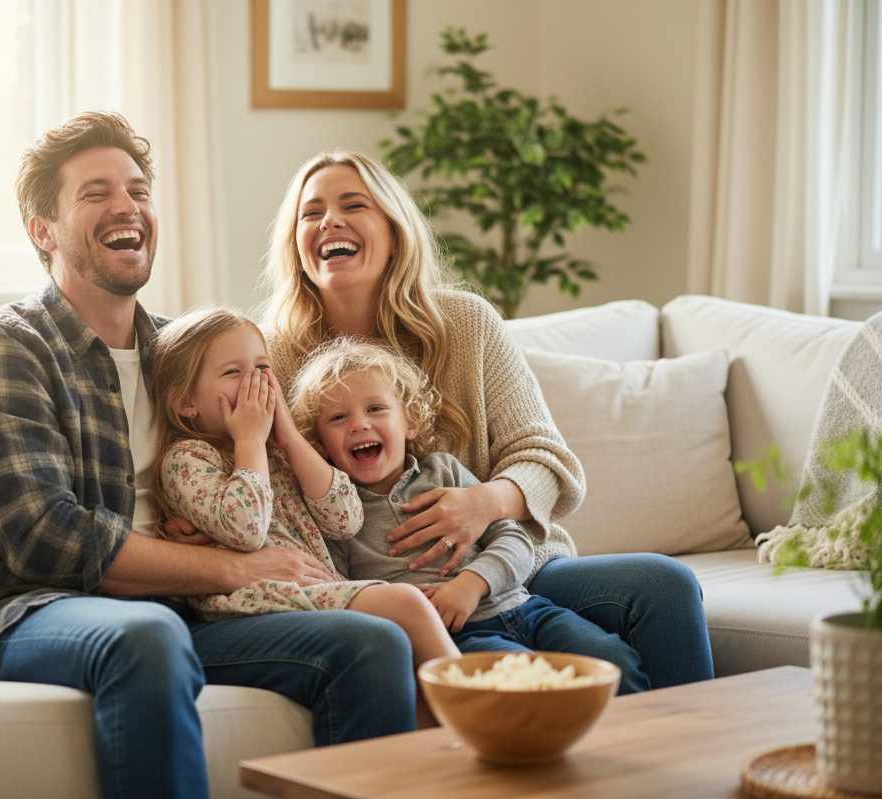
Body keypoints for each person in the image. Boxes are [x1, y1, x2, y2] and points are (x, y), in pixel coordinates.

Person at [0, 114, 417, 799]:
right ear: (43, 230)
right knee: (146, 634)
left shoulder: (181, 357)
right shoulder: (6, 353)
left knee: (373, 643)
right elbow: (44, 540)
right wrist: (222, 568)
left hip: (187, 609)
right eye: (96, 192)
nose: (128, 206)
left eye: (139, 190)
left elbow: (259, 475)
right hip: (25, 609)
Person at [260, 148, 715, 690]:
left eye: (352, 204)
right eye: (310, 213)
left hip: (514, 567)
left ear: (394, 229)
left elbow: (548, 462)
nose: (329, 220)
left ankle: (688, 748)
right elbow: (253, 484)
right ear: (295, 244)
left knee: (666, 583)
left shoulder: (466, 324)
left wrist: (482, 504)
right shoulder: (273, 357)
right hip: (405, 595)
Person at [288, 336, 649, 693]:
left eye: (376, 409)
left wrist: (471, 584)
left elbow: (515, 538)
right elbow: (340, 594)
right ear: (318, 445)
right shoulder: (331, 514)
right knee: (519, 683)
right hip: (458, 637)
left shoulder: (444, 472)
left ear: (410, 420)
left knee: (612, 660)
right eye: (338, 417)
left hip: (525, 608)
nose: (359, 424)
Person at [149, 305, 460, 685]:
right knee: (407, 602)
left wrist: (290, 439)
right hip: (253, 603)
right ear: (186, 402)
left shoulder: (280, 453)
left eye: (262, 369)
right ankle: (476, 703)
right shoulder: (188, 459)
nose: (255, 383)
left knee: (409, 635)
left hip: (313, 587)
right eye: (233, 373)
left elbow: (346, 519)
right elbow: (245, 529)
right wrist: (249, 438)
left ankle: (438, 736)